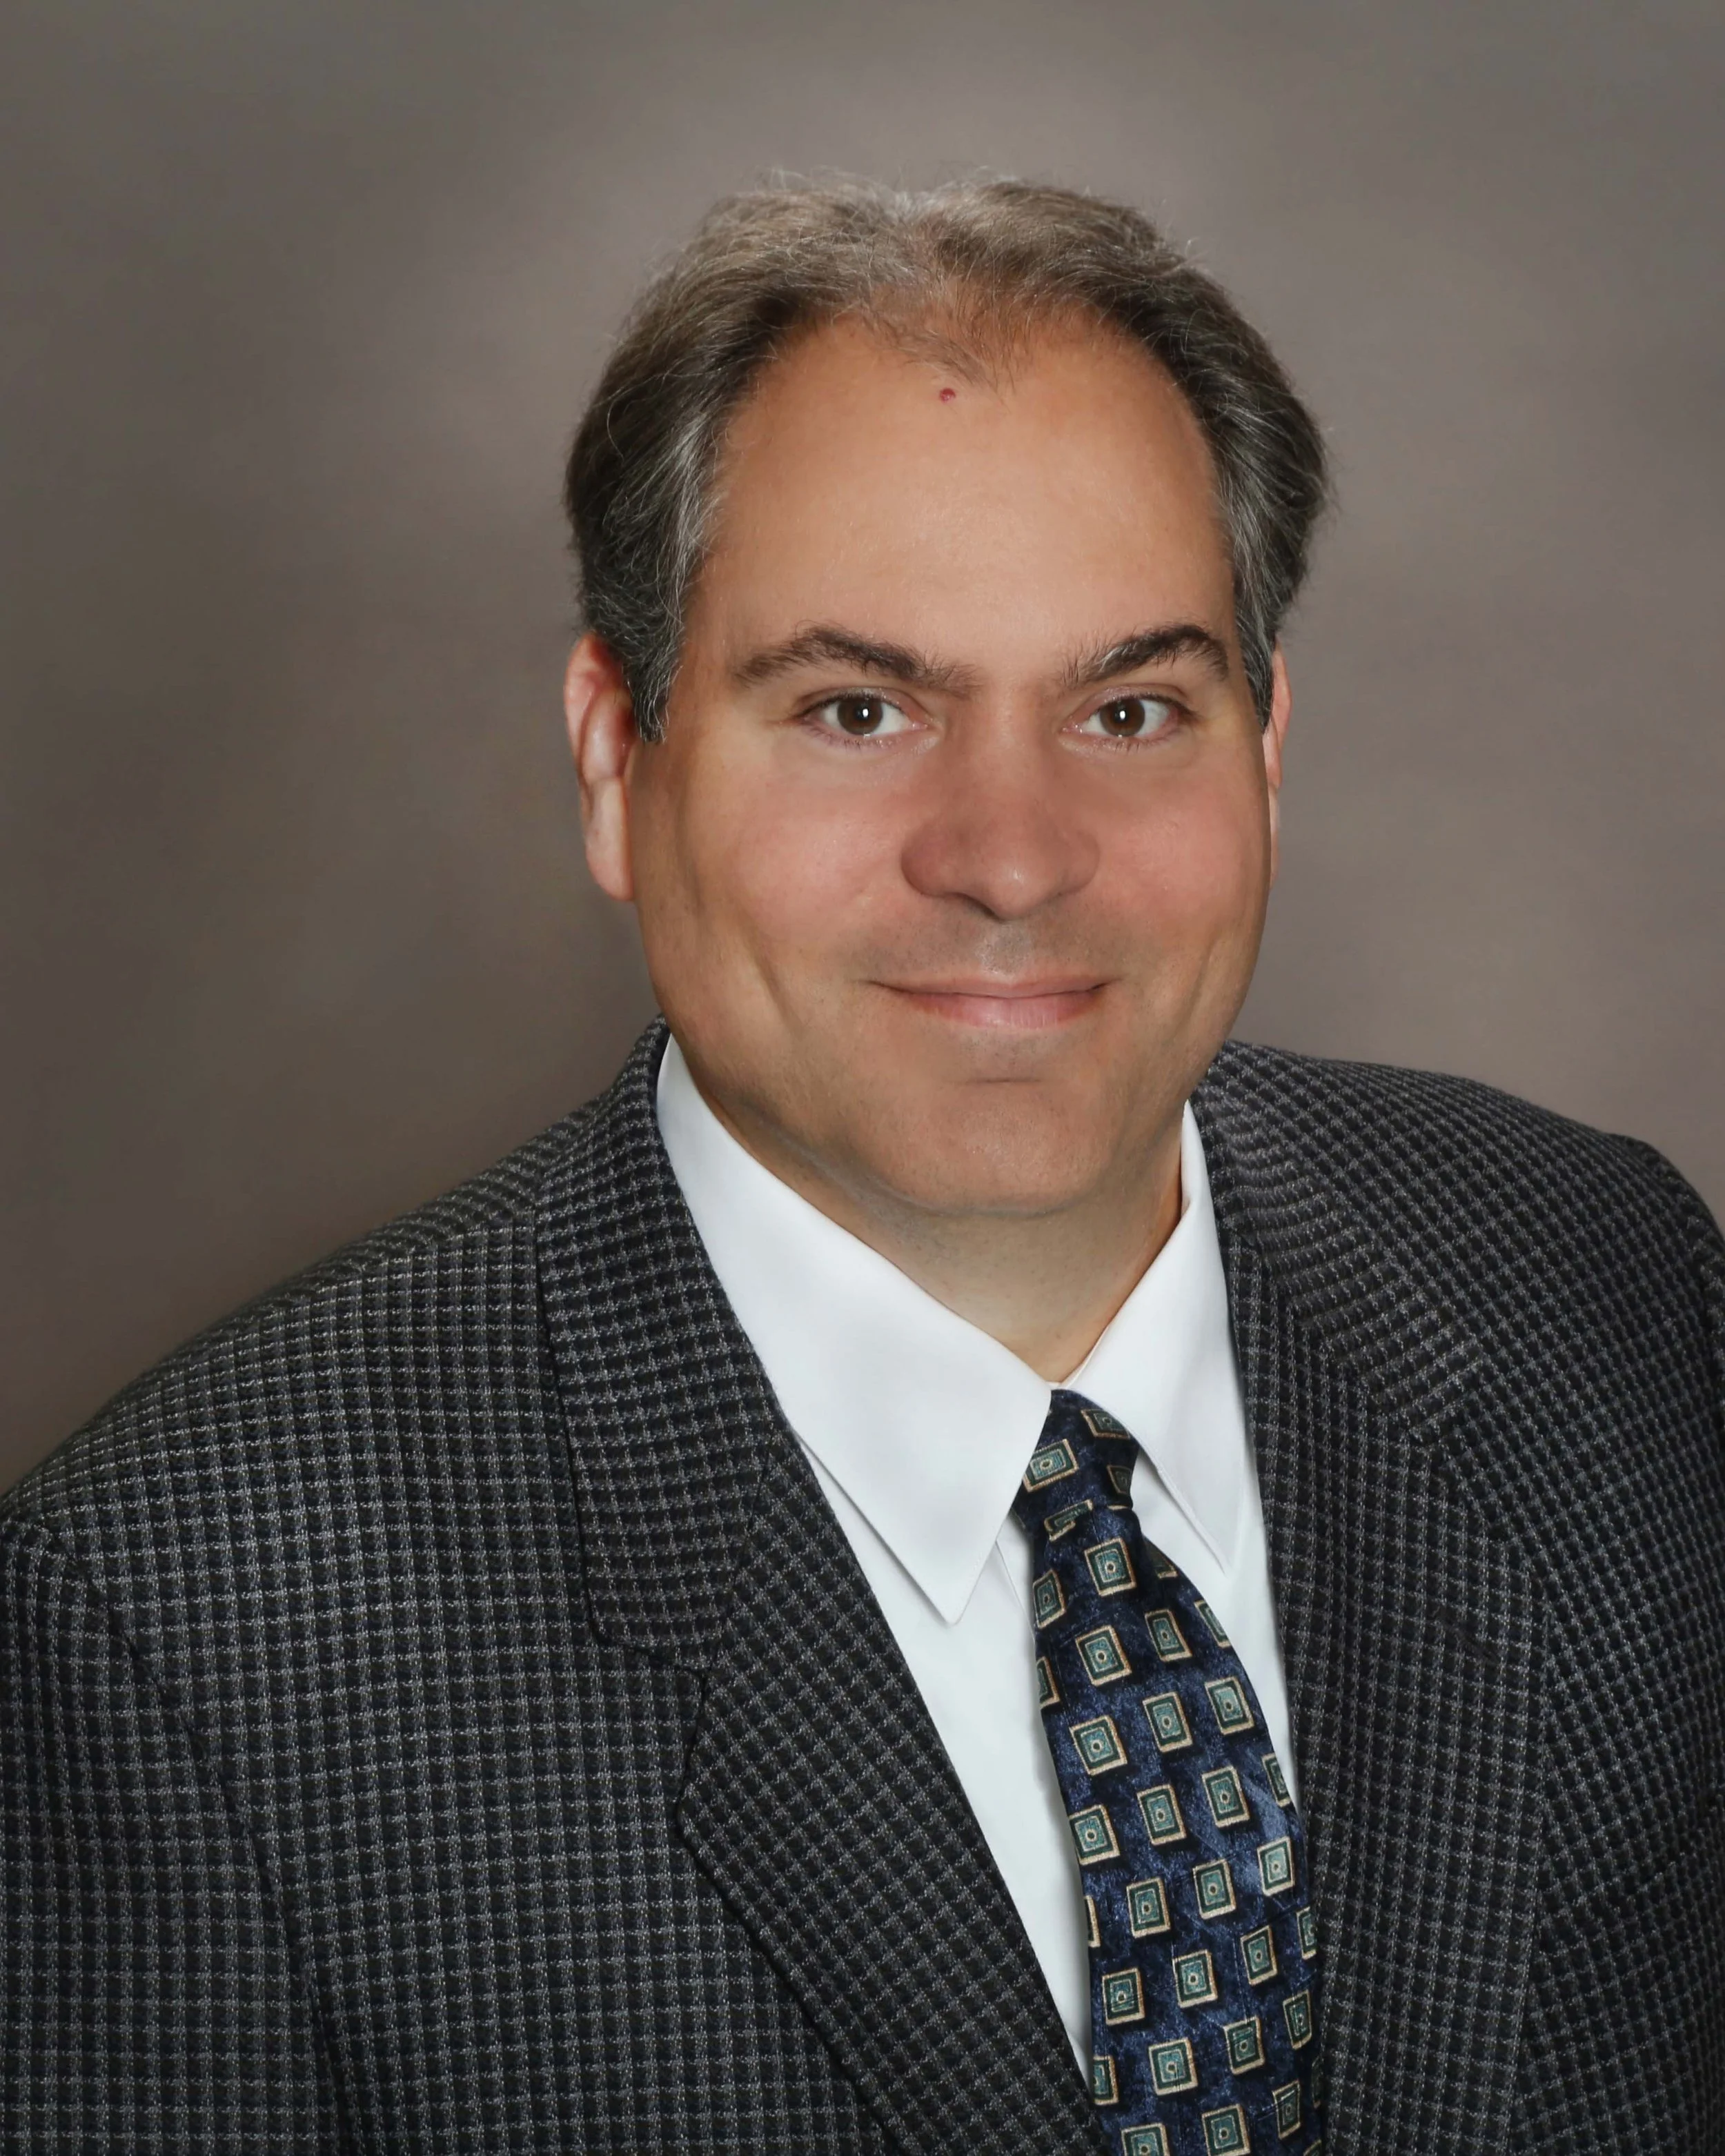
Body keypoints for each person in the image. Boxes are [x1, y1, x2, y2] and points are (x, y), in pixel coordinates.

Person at [2, 179, 1720, 2156]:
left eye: (1130, 707)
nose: (1010, 854)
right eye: (857, 709)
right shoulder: (175, 1633)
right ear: (615, 761)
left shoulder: (1610, 1286)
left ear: (1265, 752)